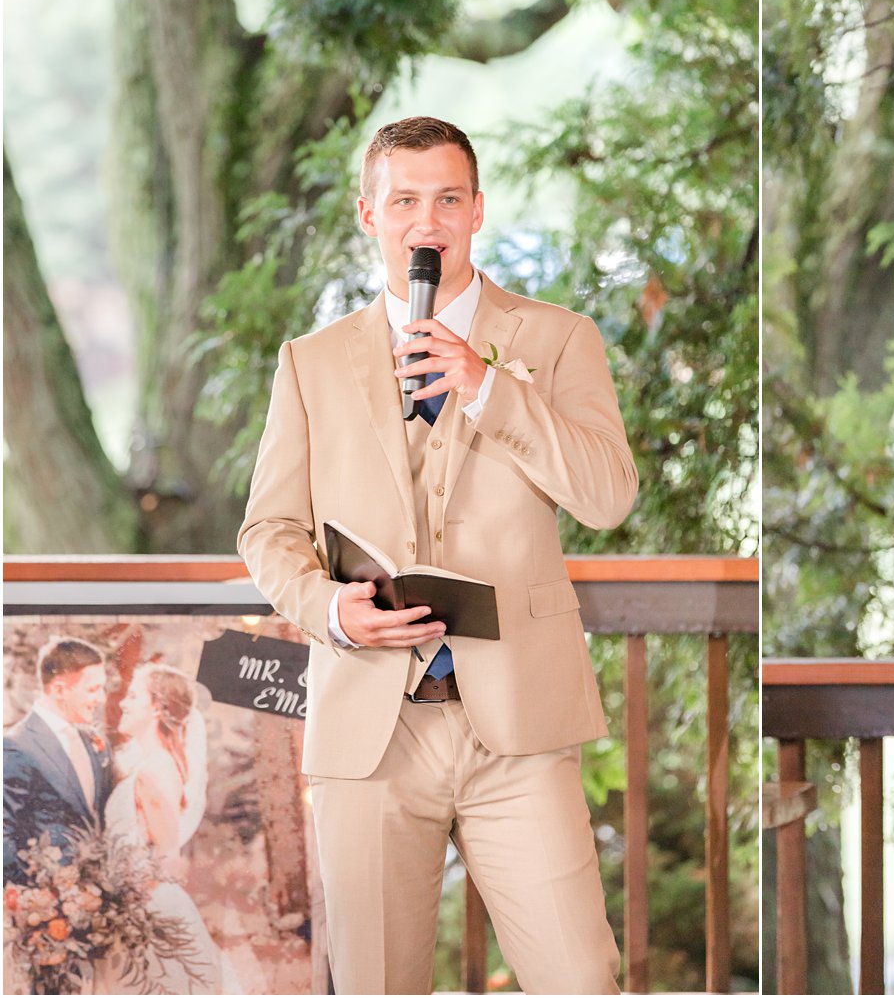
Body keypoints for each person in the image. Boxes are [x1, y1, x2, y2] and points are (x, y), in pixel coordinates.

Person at [238, 115, 635, 994]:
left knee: (581, 977)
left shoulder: (559, 339)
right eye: (406, 199)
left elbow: (609, 495)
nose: (429, 219)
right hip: (370, 728)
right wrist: (326, 607)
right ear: (368, 214)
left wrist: (488, 387)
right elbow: (268, 530)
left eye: (448, 198)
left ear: (478, 209)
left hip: (520, 725)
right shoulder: (309, 362)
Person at [93, 665, 234, 995]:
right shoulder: (148, 763)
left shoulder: (155, 771)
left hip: (148, 909)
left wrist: (127, 904)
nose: (124, 703)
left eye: (133, 696)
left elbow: (167, 856)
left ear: (157, 707)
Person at [4, 638, 114, 883]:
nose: (102, 699)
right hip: (46, 901)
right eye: (93, 689)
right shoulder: (17, 745)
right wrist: (36, 894)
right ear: (59, 690)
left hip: (95, 894)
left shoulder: (95, 741)